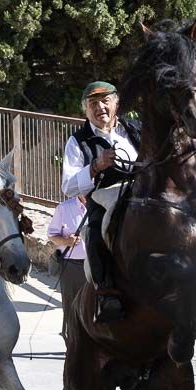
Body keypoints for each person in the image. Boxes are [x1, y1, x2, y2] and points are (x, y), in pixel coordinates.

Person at [60, 81, 141, 322]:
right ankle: (106, 294)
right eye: (93, 104)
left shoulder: (136, 130)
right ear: (85, 110)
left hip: (142, 195)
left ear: (117, 104)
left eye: (105, 101)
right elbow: (68, 186)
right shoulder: (77, 142)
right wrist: (95, 167)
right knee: (94, 233)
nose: (100, 108)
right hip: (103, 198)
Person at [47, 194, 87, 339]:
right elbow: (51, 235)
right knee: (71, 306)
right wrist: (66, 241)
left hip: (95, 265)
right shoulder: (64, 208)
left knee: (94, 305)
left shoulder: (100, 205)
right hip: (72, 266)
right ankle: (71, 340)